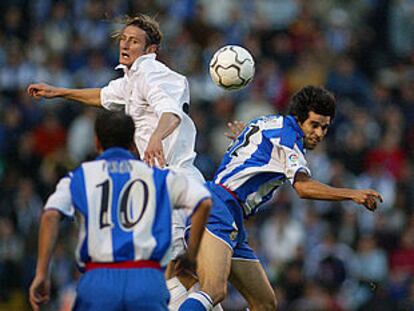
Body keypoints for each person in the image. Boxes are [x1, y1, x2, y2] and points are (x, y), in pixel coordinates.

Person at [27, 14, 207, 309]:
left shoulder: (151, 71)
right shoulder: (132, 78)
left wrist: (156, 137)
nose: (125, 45)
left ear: (151, 50)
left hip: (175, 177)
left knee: (176, 271)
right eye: (123, 39)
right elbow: (104, 96)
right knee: (189, 278)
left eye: (134, 41)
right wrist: (58, 92)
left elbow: (171, 113)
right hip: (162, 181)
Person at [178, 85, 383, 311]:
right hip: (217, 207)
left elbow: (258, 144)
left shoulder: (269, 122)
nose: (319, 134)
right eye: (314, 125)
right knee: (214, 290)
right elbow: (303, 188)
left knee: (265, 303)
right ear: (298, 119)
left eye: (325, 128)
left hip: (231, 215)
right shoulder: (289, 137)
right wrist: (353, 194)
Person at [29, 111, 212, 311]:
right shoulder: (158, 176)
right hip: (147, 280)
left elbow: (50, 215)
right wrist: (191, 255)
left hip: (98, 280)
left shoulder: (80, 177)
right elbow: (203, 202)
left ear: (97, 142)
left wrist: (41, 274)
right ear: (133, 143)